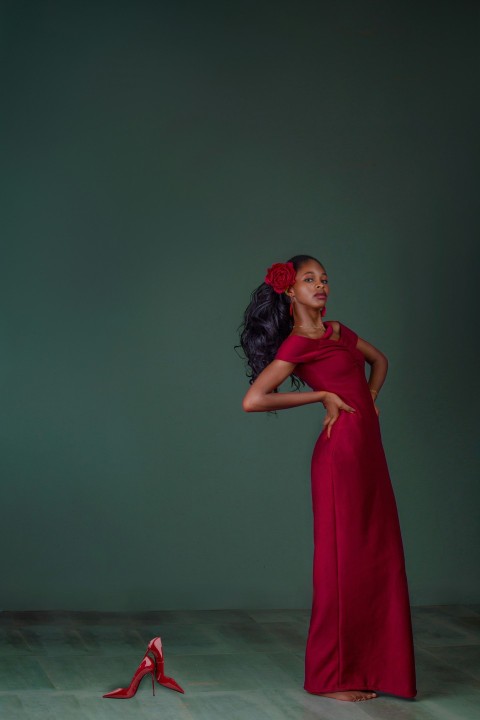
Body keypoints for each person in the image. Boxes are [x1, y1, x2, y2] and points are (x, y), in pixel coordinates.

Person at [239, 255, 417, 703]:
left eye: (324, 279)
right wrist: (321, 396)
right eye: (309, 279)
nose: (321, 286)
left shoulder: (337, 332)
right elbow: (254, 400)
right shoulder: (296, 346)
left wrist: (370, 397)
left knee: (380, 559)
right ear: (290, 291)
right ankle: (330, 677)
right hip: (339, 460)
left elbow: (380, 361)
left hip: (369, 456)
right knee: (341, 564)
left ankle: (375, 668)